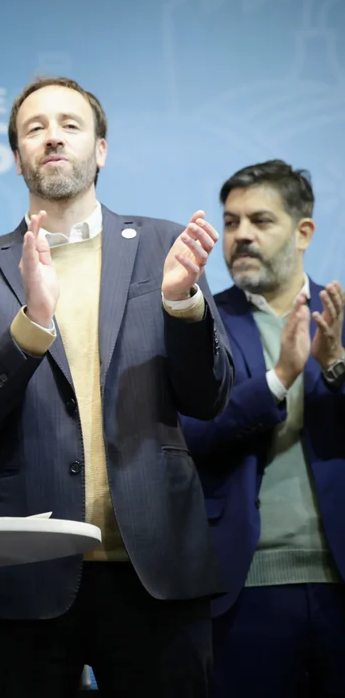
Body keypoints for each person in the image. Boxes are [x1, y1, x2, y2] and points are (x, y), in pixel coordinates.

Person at [0, 76, 234, 697]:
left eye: (70, 125)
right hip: (24, 576)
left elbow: (211, 397)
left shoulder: (164, 246)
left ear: (100, 149)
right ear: (17, 157)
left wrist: (181, 305)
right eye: (35, 128)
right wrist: (32, 325)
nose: (53, 138)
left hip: (156, 570)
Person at [180, 160, 345, 697]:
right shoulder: (200, 322)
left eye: (260, 220)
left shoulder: (341, 319)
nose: (241, 235)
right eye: (230, 222)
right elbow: (189, 435)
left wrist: (335, 364)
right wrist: (280, 378)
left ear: (303, 232)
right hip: (244, 587)